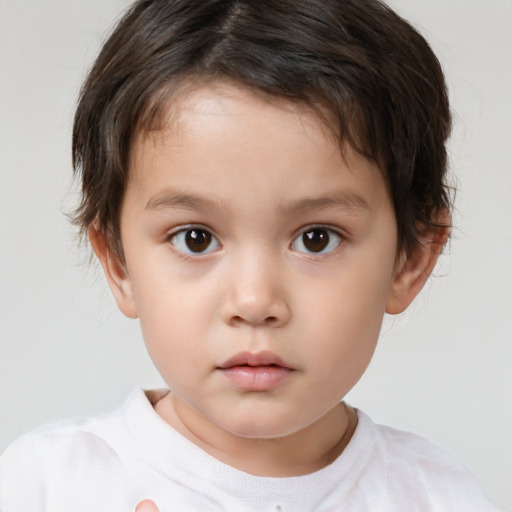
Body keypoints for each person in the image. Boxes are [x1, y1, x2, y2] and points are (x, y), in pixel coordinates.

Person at [0, 0, 499, 510]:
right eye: (195, 238)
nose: (255, 300)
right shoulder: (44, 487)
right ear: (118, 262)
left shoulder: (440, 497)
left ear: (410, 260)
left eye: (316, 238)